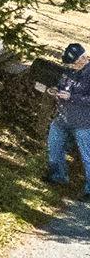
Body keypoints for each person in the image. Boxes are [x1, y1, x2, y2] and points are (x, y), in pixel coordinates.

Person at [40, 43, 90, 194]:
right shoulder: (68, 70)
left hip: (83, 123)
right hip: (62, 119)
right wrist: (54, 91)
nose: (71, 66)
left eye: (73, 63)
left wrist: (72, 97)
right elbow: (62, 86)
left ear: (82, 59)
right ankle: (58, 176)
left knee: (87, 157)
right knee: (54, 149)